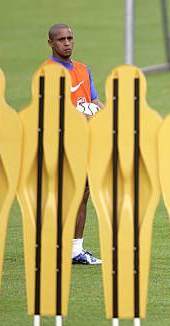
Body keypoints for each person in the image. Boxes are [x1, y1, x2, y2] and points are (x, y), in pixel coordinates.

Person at [45, 23, 103, 265]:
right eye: (61, 39)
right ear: (51, 43)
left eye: (70, 38)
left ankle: (74, 250)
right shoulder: (48, 73)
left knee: (83, 191)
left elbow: (95, 100)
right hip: (61, 140)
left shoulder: (82, 69)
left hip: (84, 140)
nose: (67, 43)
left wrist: (99, 114)